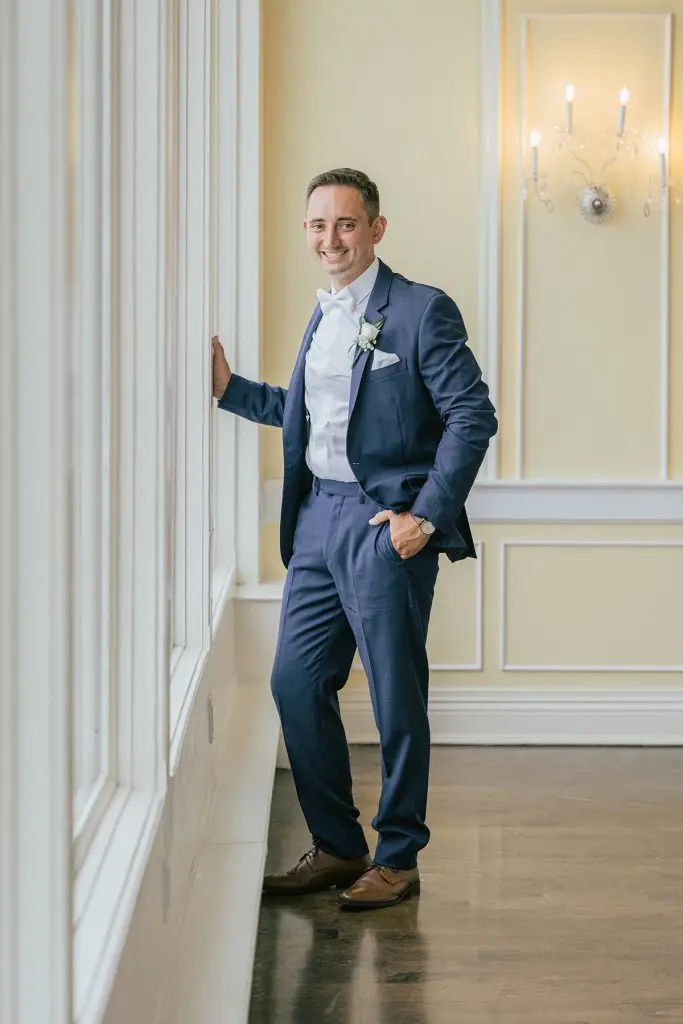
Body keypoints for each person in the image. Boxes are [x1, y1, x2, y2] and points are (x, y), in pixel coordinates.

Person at [212, 168, 497, 911]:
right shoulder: (323, 317)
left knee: (396, 694)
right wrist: (228, 389)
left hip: (382, 525)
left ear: (376, 228)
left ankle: (397, 857)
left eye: (344, 223)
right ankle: (339, 846)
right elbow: (310, 413)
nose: (330, 239)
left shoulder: (421, 310)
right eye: (317, 225)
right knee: (295, 682)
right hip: (316, 520)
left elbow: (472, 415)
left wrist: (422, 517)